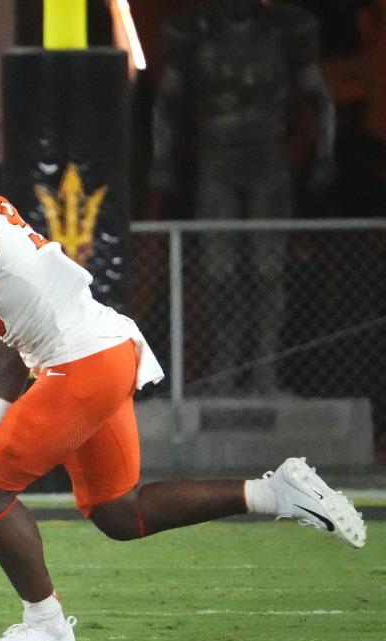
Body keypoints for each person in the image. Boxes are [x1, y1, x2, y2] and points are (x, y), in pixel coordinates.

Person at [0, 132, 367, 641]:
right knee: (120, 512)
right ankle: (277, 492)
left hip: (81, 363)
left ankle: (46, 626)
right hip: (102, 352)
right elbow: (4, 321)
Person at [149, 0, 336, 395]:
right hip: (217, 161)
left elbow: (318, 95)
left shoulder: (285, 30)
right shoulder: (193, 33)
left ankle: (265, 364)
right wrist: (161, 159)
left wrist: (325, 153)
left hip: (268, 160)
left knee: (268, 270)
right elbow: (167, 103)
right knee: (220, 272)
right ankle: (227, 359)